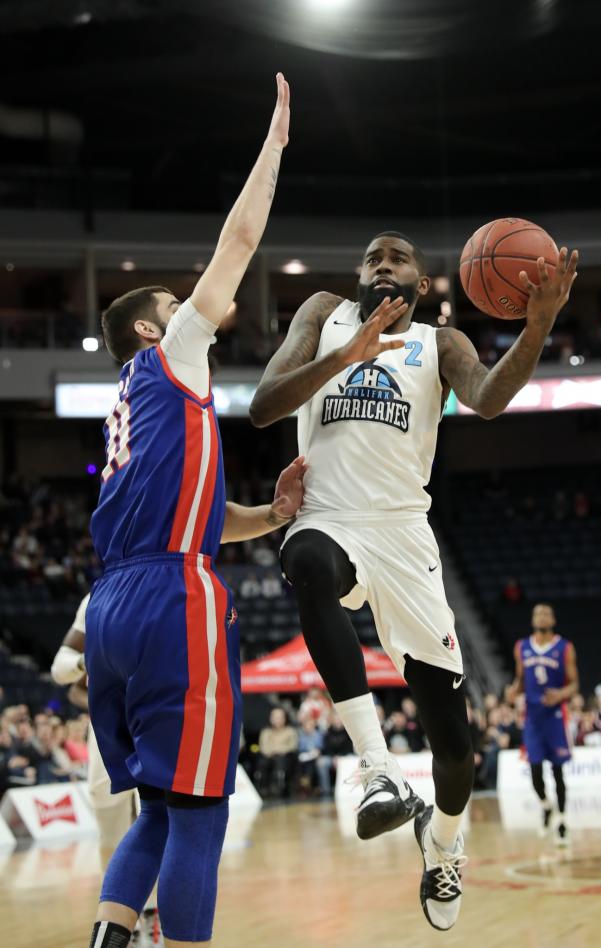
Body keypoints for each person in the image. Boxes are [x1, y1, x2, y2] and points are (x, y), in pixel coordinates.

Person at [249, 230, 578, 930]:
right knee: (304, 560)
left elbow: (488, 400)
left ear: (421, 286)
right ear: (358, 276)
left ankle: (445, 845)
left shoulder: (440, 343)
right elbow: (263, 404)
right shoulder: (322, 313)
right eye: (371, 258)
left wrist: (540, 324)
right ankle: (377, 767)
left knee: (455, 748)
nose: (382, 265)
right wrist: (344, 355)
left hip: (404, 533)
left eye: (397, 259)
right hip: (330, 514)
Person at [83, 75, 299, 948]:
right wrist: (275, 148)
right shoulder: (173, 355)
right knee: (204, 813)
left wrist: (270, 514)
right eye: (175, 306)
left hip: (114, 609)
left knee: (161, 811)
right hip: (175, 601)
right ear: (149, 331)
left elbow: (202, 521)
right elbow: (239, 240)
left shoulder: (124, 412)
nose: (191, 305)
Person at [52, 593, 163, 946]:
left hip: (158, 720)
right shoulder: (97, 598)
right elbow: (63, 674)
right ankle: (121, 920)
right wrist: (89, 667)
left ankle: (157, 913)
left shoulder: (169, 590)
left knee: (159, 815)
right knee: (110, 818)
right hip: (108, 726)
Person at [509, 603, 579, 846]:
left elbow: (574, 684)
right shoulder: (522, 647)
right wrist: (511, 692)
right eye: (537, 613)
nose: (541, 616)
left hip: (555, 719)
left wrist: (560, 695)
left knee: (558, 772)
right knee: (535, 773)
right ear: (532, 620)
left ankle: (562, 821)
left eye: (546, 613)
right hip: (532, 719)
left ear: (553, 619)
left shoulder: (565, 648)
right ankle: (546, 806)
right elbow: (520, 681)